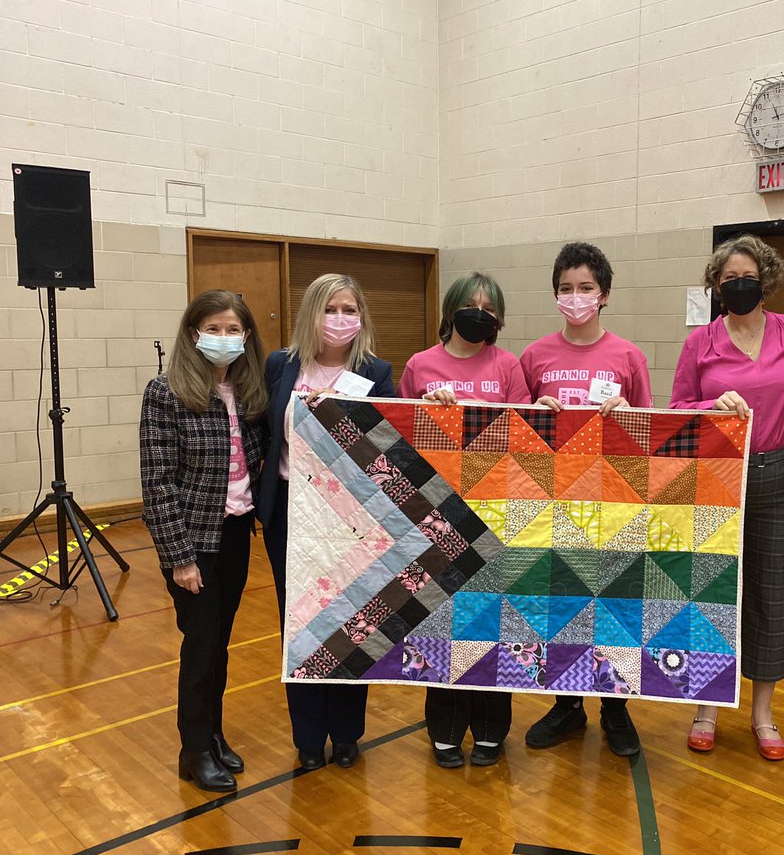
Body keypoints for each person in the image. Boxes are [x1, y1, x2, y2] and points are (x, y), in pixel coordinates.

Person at [670, 234, 784, 760]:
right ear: (716, 286)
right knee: (712, 590)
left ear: (767, 278)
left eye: (747, 276)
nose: (738, 285)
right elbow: (679, 408)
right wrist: (711, 403)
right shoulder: (700, 342)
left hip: (779, 472)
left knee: (773, 593)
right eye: (728, 279)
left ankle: (763, 713)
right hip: (717, 473)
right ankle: (706, 706)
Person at [258, 273, 395, 771]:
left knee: (351, 624)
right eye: (330, 309)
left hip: (352, 518)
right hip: (291, 513)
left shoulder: (377, 372)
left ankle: (347, 733)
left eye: (349, 310)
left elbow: (385, 445)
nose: (340, 320)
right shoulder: (280, 365)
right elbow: (262, 432)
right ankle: (309, 738)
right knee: (300, 626)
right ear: (311, 314)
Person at [520, 241, 652, 757]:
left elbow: (649, 437)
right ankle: (566, 706)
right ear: (556, 295)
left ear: (605, 294)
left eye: (586, 288)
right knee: (561, 607)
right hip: (552, 502)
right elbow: (516, 434)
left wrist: (627, 416)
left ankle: (615, 709)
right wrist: (535, 410)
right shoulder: (534, 356)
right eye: (566, 289)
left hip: (612, 500)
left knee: (615, 608)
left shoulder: (628, 356)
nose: (576, 297)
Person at [139, 290, 268, 793]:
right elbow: (158, 482)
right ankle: (193, 752)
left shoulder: (248, 392)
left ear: (246, 335)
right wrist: (179, 558)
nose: (222, 337)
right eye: (212, 328)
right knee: (201, 646)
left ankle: (212, 735)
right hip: (194, 541)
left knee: (220, 645)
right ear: (192, 334)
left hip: (236, 532)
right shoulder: (165, 392)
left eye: (232, 328)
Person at [399, 272, 529, 768]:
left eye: (489, 307)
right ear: (451, 308)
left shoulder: (508, 365)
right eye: (471, 303)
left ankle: (493, 729)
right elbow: (399, 433)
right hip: (436, 515)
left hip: (498, 514)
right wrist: (424, 409)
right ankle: (446, 729)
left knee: (495, 623)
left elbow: (528, 438)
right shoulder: (419, 365)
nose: (480, 312)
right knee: (441, 621)